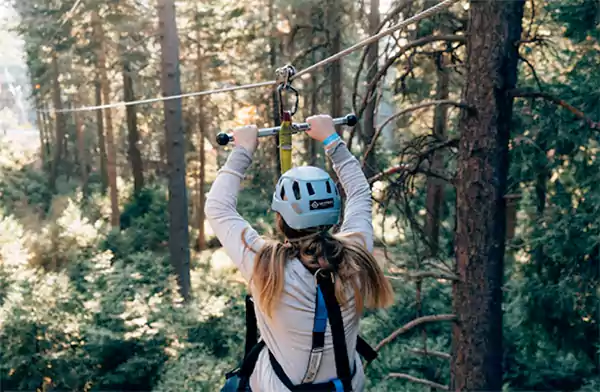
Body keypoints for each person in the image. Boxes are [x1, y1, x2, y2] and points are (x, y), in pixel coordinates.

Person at [205, 114, 394, 391]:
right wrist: (331, 139)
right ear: (333, 212)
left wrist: (243, 149)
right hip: (346, 385)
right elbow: (360, 193)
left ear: (280, 219)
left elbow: (218, 208)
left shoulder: (265, 265)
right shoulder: (356, 254)